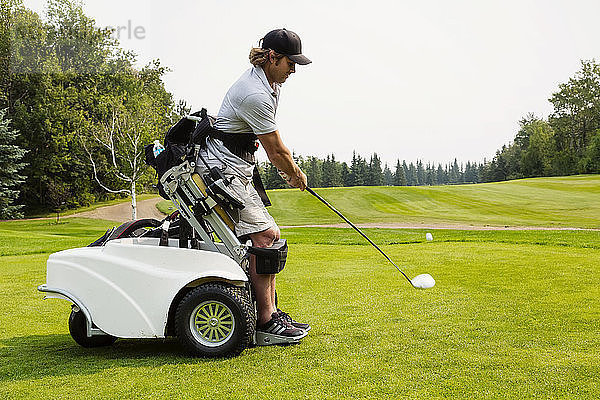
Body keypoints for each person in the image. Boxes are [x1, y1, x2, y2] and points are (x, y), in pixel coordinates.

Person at [197, 28, 311, 344]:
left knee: (268, 238)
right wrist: (295, 174)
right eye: (291, 62)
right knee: (266, 237)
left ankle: (270, 312)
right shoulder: (255, 93)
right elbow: (276, 150)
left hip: (237, 168)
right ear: (272, 57)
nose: (294, 69)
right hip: (221, 171)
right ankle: (265, 320)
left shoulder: (271, 84)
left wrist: (288, 170)